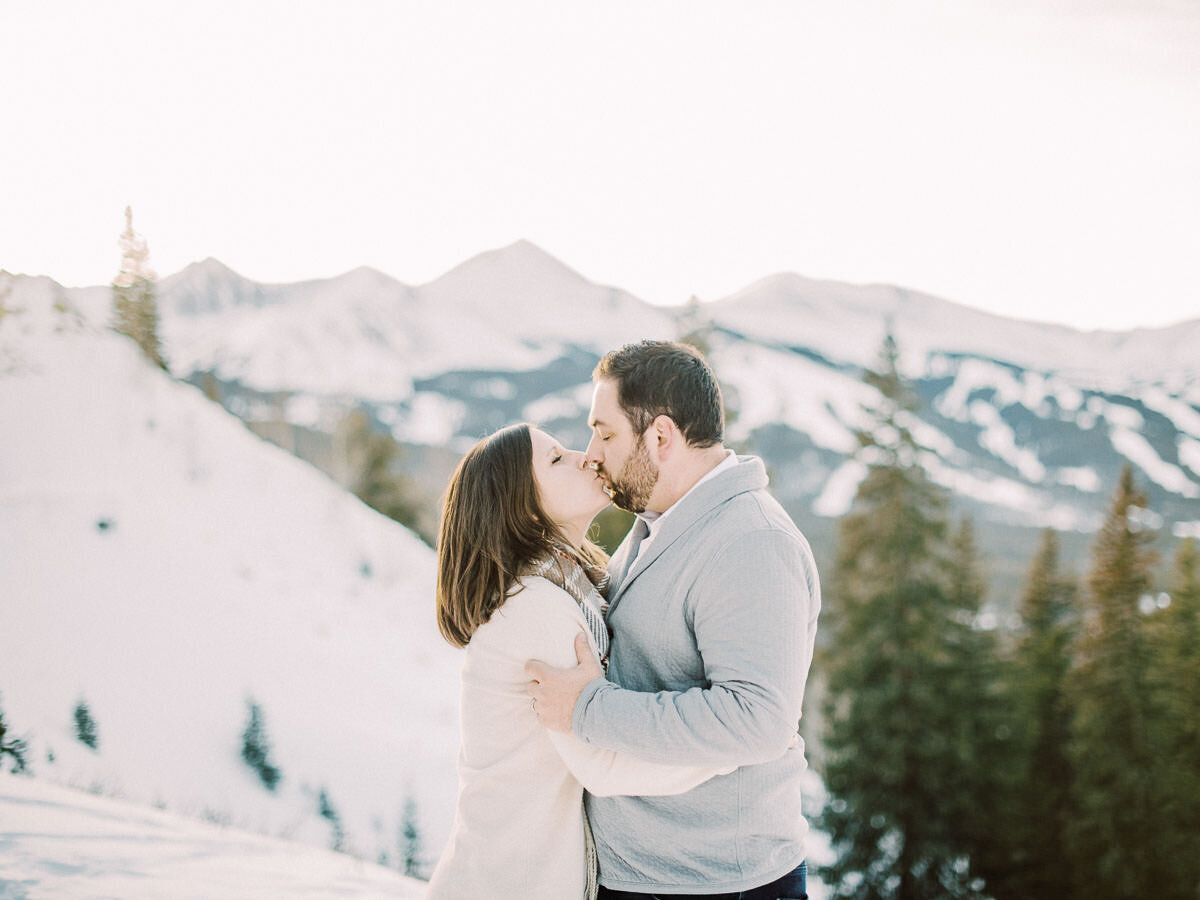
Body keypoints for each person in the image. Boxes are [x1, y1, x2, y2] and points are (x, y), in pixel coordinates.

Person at [525, 340, 821, 900]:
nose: (592, 453)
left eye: (606, 434)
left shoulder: (751, 543)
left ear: (660, 437)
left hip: (715, 883)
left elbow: (757, 721)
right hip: (643, 872)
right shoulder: (658, 525)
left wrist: (587, 708)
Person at [426, 423, 735, 900]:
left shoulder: (568, 587)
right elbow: (604, 764)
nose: (584, 457)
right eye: (556, 460)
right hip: (508, 883)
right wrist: (734, 746)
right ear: (522, 509)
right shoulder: (536, 609)